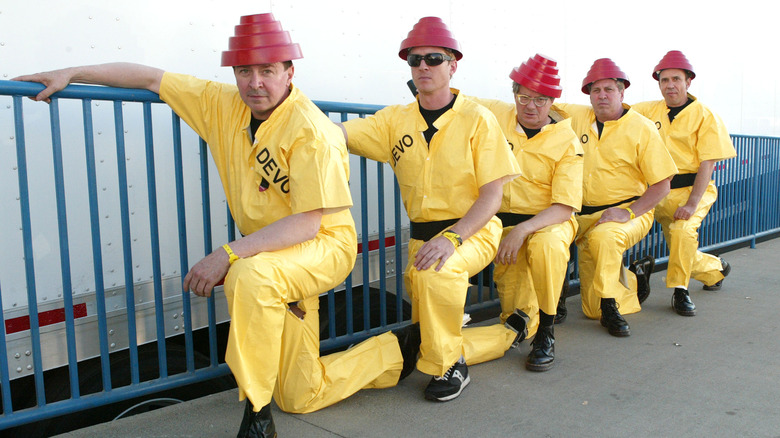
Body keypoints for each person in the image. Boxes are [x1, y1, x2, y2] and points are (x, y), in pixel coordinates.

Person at [15, 13, 419, 438]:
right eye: (245, 70)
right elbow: (151, 79)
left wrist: (227, 255)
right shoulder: (222, 103)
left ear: (289, 72)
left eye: (267, 70)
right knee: (302, 395)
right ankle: (397, 351)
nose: (255, 82)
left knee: (249, 273)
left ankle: (257, 415)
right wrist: (71, 72)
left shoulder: (312, 130)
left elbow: (306, 223)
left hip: (321, 244)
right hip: (275, 250)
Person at [340, 16, 521, 401]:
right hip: (421, 235)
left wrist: (453, 238)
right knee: (431, 327)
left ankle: (449, 367)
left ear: (453, 65)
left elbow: (493, 196)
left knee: (439, 273)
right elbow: (337, 135)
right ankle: (509, 332)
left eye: (434, 58)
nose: (423, 66)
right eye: (414, 59)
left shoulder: (478, 118)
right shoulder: (394, 120)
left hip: (472, 228)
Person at [470, 54, 582, 371]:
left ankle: (546, 331)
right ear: (514, 95)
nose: (531, 106)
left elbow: (564, 206)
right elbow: (452, 101)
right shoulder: (495, 113)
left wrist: (521, 231)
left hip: (548, 220)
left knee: (547, 247)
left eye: (541, 99)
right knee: (515, 316)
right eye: (524, 97)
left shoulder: (567, 141)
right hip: (500, 222)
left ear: (552, 101)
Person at [557, 58, 678, 337]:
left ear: (622, 93)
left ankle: (611, 305)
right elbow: (538, 102)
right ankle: (634, 279)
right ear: (589, 95)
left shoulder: (642, 127)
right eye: (596, 90)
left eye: (609, 89)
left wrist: (630, 212)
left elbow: (662, 184)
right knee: (590, 309)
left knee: (605, 238)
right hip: (582, 213)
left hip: (626, 211)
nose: (602, 96)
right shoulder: (577, 117)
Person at [632, 51, 737, 316]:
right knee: (624, 227)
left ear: (688, 81)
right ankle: (715, 269)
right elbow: (614, 114)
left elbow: (707, 164)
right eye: (664, 80)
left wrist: (691, 204)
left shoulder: (705, 116)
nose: (670, 85)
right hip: (656, 191)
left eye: (676, 79)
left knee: (682, 234)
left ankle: (680, 290)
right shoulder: (646, 110)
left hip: (691, 191)